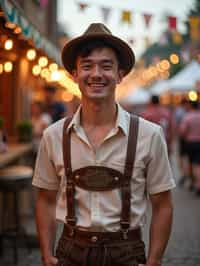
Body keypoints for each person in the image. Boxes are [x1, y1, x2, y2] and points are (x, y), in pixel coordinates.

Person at [33, 23, 175, 266]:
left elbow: (163, 205)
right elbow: (45, 199)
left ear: (120, 74)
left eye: (106, 66)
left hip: (126, 252)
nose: (96, 74)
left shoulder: (150, 135)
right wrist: (47, 255)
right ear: (74, 74)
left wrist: (154, 261)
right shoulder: (53, 136)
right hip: (70, 251)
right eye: (87, 66)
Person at [179, 100, 200, 195]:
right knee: (198, 163)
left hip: (190, 143)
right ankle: (196, 183)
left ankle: (195, 183)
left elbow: (182, 131)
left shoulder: (187, 117)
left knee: (192, 164)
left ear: (191, 107)